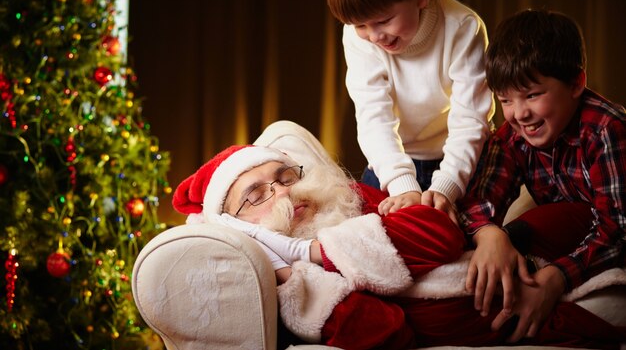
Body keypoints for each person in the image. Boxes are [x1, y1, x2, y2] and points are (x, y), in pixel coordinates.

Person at [173, 142, 624, 349]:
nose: (284, 194)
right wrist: (299, 267)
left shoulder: (350, 201)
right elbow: (390, 332)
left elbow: (440, 233)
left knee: (583, 221)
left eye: (284, 177)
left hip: (523, 247)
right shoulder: (296, 288)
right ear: (241, 229)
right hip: (492, 319)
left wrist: (315, 249)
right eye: (257, 195)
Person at [457, 9, 626, 343]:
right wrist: (489, 234)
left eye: (532, 95)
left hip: (605, 237)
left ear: (576, 83)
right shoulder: (512, 135)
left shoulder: (607, 129)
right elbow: (480, 198)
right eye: (505, 99)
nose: (520, 113)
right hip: (570, 234)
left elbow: (618, 228)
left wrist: (556, 278)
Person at [325, 0, 495, 217]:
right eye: (361, 25)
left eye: (384, 21)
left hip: (462, 158)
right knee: (369, 227)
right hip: (398, 158)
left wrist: (446, 186)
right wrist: (402, 184)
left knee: (469, 227)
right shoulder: (360, 39)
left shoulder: (463, 27)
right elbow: (373, 117)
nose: (375, 36)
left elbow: (470, 120)